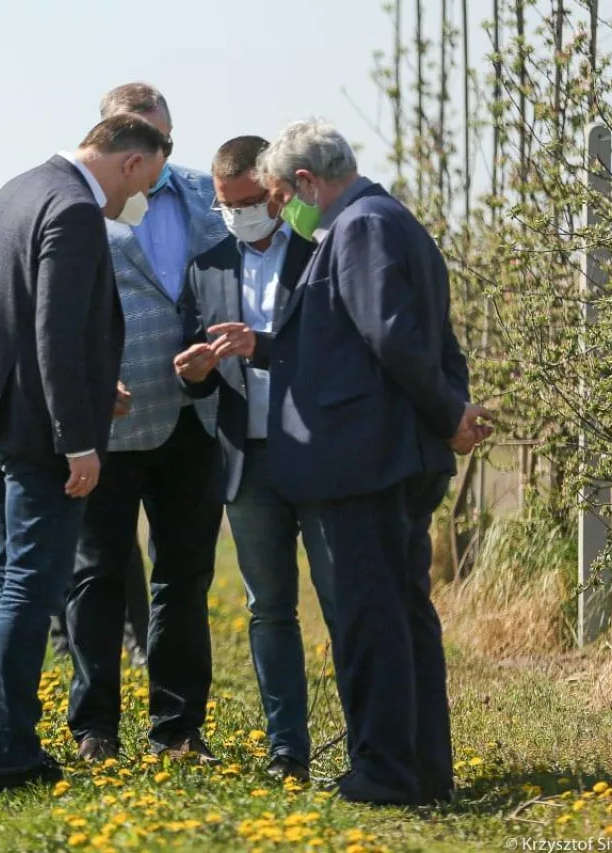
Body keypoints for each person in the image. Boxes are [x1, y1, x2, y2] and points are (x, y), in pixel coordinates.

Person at [210, 119, 492, 806]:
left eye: (279, 195)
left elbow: (392, 340)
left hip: (367, 462)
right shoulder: (390, 220)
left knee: (373, 619)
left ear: (307, 181)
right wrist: (266, 345)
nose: (280, 210)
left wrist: (449, 413)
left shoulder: (359, 228)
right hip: (391, 455)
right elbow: (368, 340)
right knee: (402, 613)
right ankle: (425, 767)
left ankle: (384, 770)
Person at [0, 113, 170, 797]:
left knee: (9, 581)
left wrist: (95, 386)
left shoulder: (18, 189)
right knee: (29, 588)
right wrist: (80, 439)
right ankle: (10, 754)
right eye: (145, 185)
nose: (133, 204)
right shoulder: (74, 210)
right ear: (132, 163)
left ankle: (5, 737)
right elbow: (53, 331)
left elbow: (22, 317)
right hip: (40, 434)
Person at [66, 83, 227, 764]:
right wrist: (88, 384)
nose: (159, 153)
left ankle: (177, 729)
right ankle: (94, 727)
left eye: (165, 138)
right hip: (113, 418)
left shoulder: (198, 195)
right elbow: (60, 309)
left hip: (193, 416)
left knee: (184, 577)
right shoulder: (78, 206)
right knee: (99, 576)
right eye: (144, 139)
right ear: (115, 140)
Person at [174, 135, 335, 783]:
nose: (235, 214)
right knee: (269, 608)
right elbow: (198, 369)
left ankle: (369, 740)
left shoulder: (321, 257)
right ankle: (286, 750)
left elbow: (334, 354)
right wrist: (192, 372)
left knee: (341, 597)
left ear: (274, 193)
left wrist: (260, 345)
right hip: (247, 461)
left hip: (318, 457)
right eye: (223, 205)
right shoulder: (206, 268)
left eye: (245, 201)